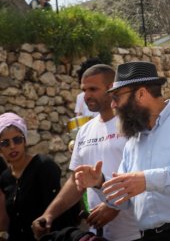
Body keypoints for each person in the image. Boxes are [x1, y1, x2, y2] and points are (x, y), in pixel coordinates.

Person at [73, 61, 170, 240]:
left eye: (116, 97)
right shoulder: (133, 140)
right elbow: (124, 200)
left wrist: (146, 180)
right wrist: (100, 183)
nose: (113, 105)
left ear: (140, 94)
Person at [32, 64, 139, 241]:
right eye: (84, 90)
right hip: (97, 235)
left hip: (136, 232)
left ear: (112, 88)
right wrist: (49, 215)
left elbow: (147, 174)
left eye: (93, 89)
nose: (86, 96)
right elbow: (76, 181)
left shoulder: (134, 125)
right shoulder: (85, 131)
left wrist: (114, 206)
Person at [0, 112, 76, 241]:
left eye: (17, 139)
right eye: (5, 143)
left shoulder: (43, 166)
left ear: (25, 140)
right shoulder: (5, 178)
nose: (12, 146)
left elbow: (58, 214)